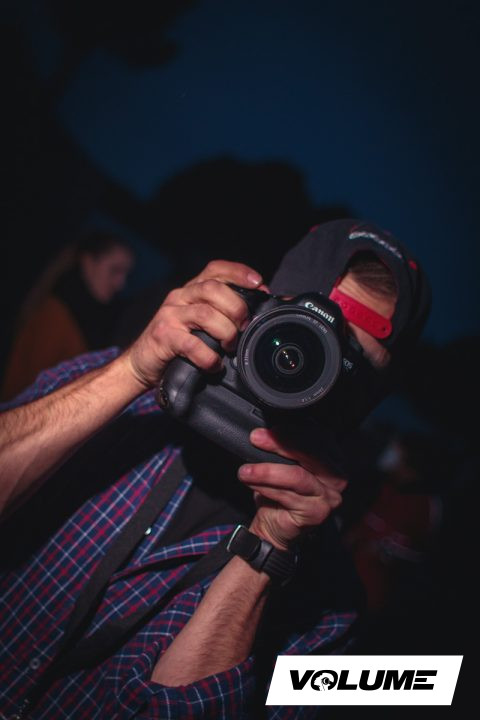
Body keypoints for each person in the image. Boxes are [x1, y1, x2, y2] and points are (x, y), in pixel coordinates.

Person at [0, 219, 430, 719]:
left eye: (349, 364)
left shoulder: (329, 611)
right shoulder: (116, 402)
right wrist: (131, 371)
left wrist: (266, 553)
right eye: (303, 335)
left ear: (375, 399)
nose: (316, 372)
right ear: (255, 311)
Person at [1, 230, 135, 401]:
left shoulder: (92, 318)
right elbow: (25, 388)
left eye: (125, 274)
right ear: (88, 262)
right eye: (115, 270)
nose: (121, 283)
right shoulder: (57, 314)